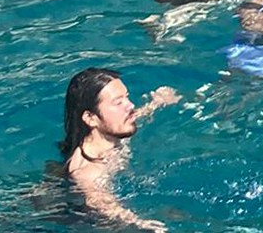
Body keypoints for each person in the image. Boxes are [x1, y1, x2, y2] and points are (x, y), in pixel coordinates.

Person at [61, 68, 181, 233]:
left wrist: (157, 103)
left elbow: (137, 115)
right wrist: (143, 224)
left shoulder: (115, 129)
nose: (130, 105)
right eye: (118, 103)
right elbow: (104, 205)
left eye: (127, 97)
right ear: (90, 118)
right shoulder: (89, 171)